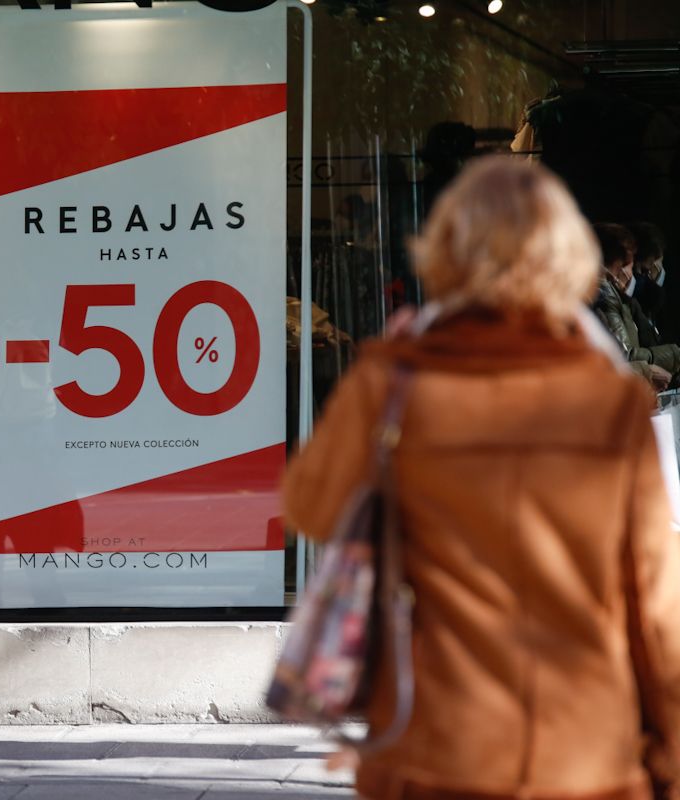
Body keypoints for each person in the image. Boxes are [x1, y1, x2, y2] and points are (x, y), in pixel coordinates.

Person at [284, 157, 680, 799]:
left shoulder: (396, 380)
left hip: (439, 740)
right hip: (582, 741)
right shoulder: (610, 402)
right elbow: (654, 595)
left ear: (448, 250)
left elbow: (311, 505)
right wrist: (669, 748)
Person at [592, 222, 679, 389]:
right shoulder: (603, 299)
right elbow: (623, 357)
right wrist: (671, 357)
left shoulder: (626, 302)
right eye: (629, 267)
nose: (632, 274)